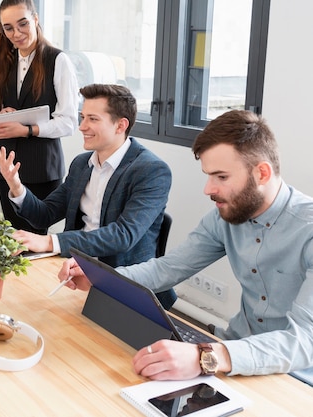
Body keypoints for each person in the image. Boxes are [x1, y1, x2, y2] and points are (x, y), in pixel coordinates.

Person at [57, 109, 313, 379]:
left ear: (261, 173)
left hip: (295, 376)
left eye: (221, 177)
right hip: (230, 352)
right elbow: (168, 268)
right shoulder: (224, 218)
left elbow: (306, 339)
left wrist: (208, 356)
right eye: (208, 175)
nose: (208, 189)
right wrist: (102, 278)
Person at [0, 83, 175, 308]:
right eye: (82, 117)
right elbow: (44, 215)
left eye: (93, 119)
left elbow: (123, 235)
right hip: (74, 272)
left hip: (123, 284)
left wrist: (50, 241)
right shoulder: (82, 164)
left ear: (121, 125)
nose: (82, 127)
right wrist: (16, 186)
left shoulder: (151, 170)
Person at [0, 0, 78, 234]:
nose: (16, 33)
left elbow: (69, 122)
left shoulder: (57, 60)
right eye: (8, 28)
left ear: (36, 19)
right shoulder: (3, 61)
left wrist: (27, 129)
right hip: (5, 164)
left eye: (23, 24)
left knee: (33, 243)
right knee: (10, 240)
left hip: (41, 168)